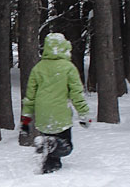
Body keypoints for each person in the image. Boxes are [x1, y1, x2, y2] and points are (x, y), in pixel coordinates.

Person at [20, 32, 92, 174]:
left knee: (50, 154)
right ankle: (51, 143)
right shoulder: (68, 68)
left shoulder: (38, 68)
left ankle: (49, 169)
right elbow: (77, 94)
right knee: (66, 146)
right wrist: (84, 114)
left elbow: (30, 97)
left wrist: (26, 121)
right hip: (61, 115)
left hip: (43, 115)